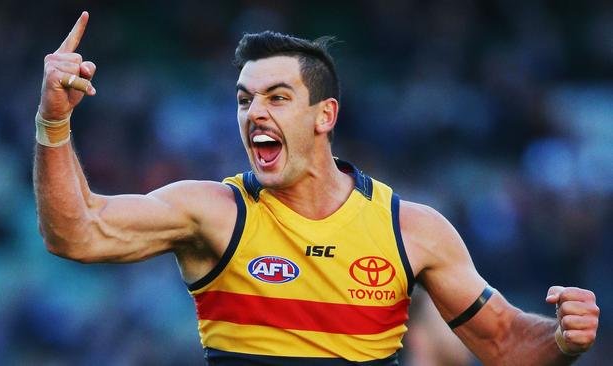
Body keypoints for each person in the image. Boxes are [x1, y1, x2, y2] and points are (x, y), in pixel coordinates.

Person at [34, 12, 599, 365]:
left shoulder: (410, 230)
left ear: (324, 114)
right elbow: (76, 234)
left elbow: (502, 342)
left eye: (277, 97)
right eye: (244, 99)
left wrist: (562, 341)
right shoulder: (213, 212)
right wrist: (53, 120)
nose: (254, 112)